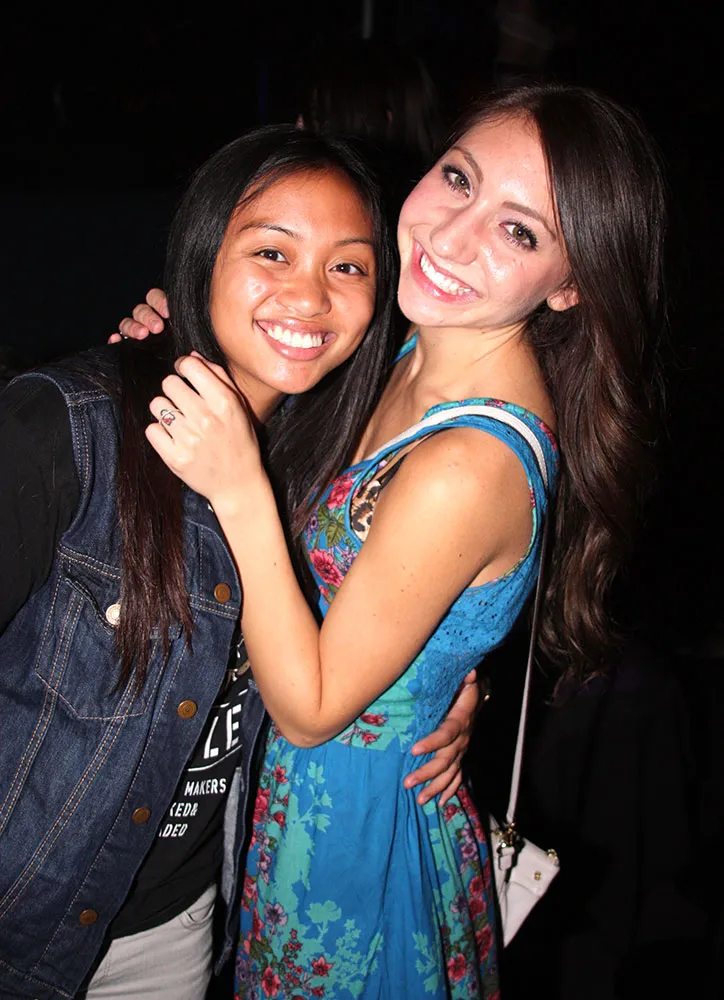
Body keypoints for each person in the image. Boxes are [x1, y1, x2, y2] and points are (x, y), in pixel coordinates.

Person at [126, 82, 666, 997]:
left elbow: (314, 707)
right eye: (458, 178)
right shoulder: (417, 344)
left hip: (350, 838)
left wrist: (239, 485)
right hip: (293, 800)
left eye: (519, 231)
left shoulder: (469, 462)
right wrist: (182, 337)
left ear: (571, 284)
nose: (452, 237)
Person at [0, 127, 478, 1000]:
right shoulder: (67, 431)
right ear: (202, 256)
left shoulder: (325, 481)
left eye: (348, 265)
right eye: (271, 252)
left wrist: (438, 686)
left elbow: (363, 627)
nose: (310, 295)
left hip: (177, 930)